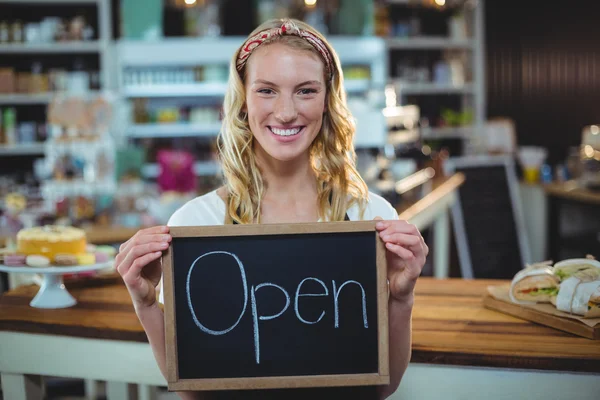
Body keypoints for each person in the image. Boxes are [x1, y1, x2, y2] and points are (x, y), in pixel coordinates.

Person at [116, 18, 428, 400]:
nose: (285, 112)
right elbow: (194, 391)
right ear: (243, 100)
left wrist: (401, 298)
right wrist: (147, 306)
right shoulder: (195, 224)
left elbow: (383, 386)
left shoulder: (370, 218)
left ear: (328, 101)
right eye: (267, 90)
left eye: (305, 91)